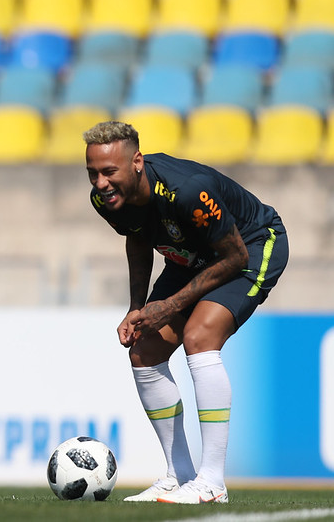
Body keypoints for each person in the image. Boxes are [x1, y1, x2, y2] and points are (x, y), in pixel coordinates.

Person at [84, 121, 288, 504]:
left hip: (252, 246)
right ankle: (178, 476)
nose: (100, 183)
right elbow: (139, 237)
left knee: (199, 337)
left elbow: (234, 257)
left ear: (137, 163)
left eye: (109, 172)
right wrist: (136, 307)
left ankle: (212, 483)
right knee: (144, 351)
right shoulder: (105, 200)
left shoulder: (188, 190)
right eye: (93, 173)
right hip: (193, 257)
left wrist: (171, 305)